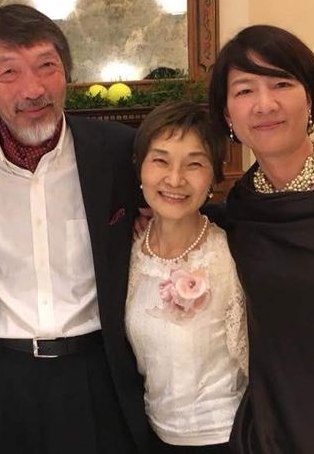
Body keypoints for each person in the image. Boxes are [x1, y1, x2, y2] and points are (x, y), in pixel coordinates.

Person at [0, 4, 149, 453]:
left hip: (96, 375)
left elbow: (182, 202)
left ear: (67, 73)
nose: (33, 89)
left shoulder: (118, 151)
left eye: (46, 66)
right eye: (9, 72)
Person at [208, 24, 314, 454]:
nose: (265, 104)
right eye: (245, 90)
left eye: (281, 83)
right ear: (228, 115)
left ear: (310, 97)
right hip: (273, 427)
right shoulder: (240, 208)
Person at [126, 101, 247, 453]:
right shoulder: (129, 252)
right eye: (160, 161)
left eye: (194, 164)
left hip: (226, 438)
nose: (175, 179)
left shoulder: (231, 254)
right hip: (152, 436)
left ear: (214, 176)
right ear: (140, 168)